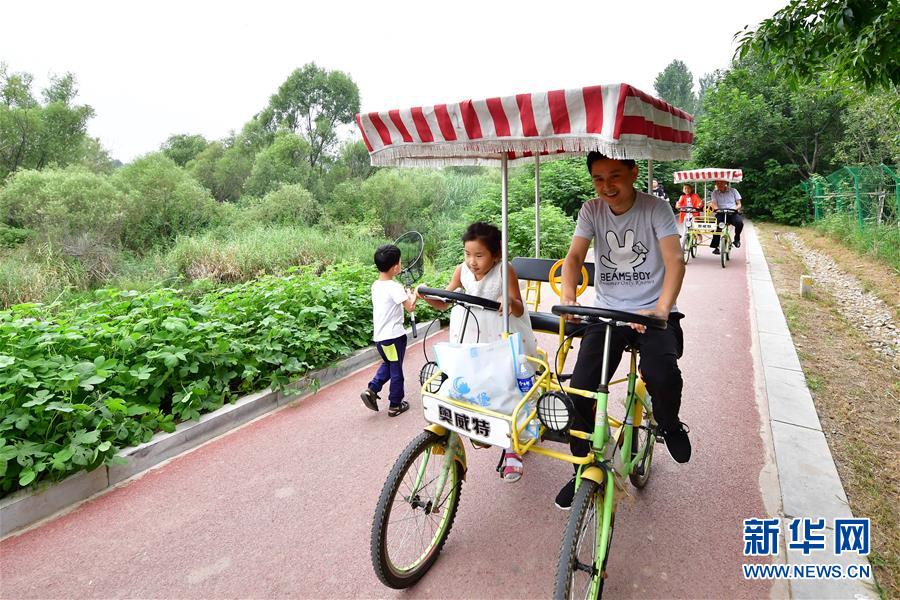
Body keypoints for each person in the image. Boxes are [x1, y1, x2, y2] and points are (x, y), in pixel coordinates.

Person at [555, 152, 691, 510]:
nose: (607, 187)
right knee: (581, 388)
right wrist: (570, 297)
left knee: (662, 373)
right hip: (609, 313)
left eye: (614, 176)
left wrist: (661, 309)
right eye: (598, 179)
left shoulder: (656, 208)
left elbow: (675, 261)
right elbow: (572, 258)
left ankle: (669, 422)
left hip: (654, 313)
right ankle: (583, 466)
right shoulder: (591, 210)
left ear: (633, 172)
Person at [418, 222, 537, 483]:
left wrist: (509, 301)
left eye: (479, 255)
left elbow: (518, 308)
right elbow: (444, 302)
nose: (472, 261)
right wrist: (425, 294)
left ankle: (511, 449)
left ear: (495, 255)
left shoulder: (505, 270)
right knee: (466, 379)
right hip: (469, 333)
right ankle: (474, 423)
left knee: (505, 386)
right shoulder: (461, 271)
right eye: (467, 254)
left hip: (498, 334)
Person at [361, 244, 417, 417]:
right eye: (400, 262)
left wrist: (406, 294)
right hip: (394, 337)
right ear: (395, 267)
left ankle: (372, 389)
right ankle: (395, 404)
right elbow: (410, 307)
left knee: (389, 363)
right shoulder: (394, 287)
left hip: (380, 338)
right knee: (396, 369)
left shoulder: (376, 285)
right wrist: (416, 293)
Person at [709, 179, 744, 252]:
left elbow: (739, 204)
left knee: (739, 223)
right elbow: (714, 204)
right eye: (718, 183)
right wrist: (717, 209)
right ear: (716, 184)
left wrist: (734, 209)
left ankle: (737, 239)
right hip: (720, 212)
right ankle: (716, 246)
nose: (720, 184)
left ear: (725, 182)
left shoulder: (733, 190)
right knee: (716, 226)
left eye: (721, 182)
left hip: (732, 212)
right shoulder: (714, 193)